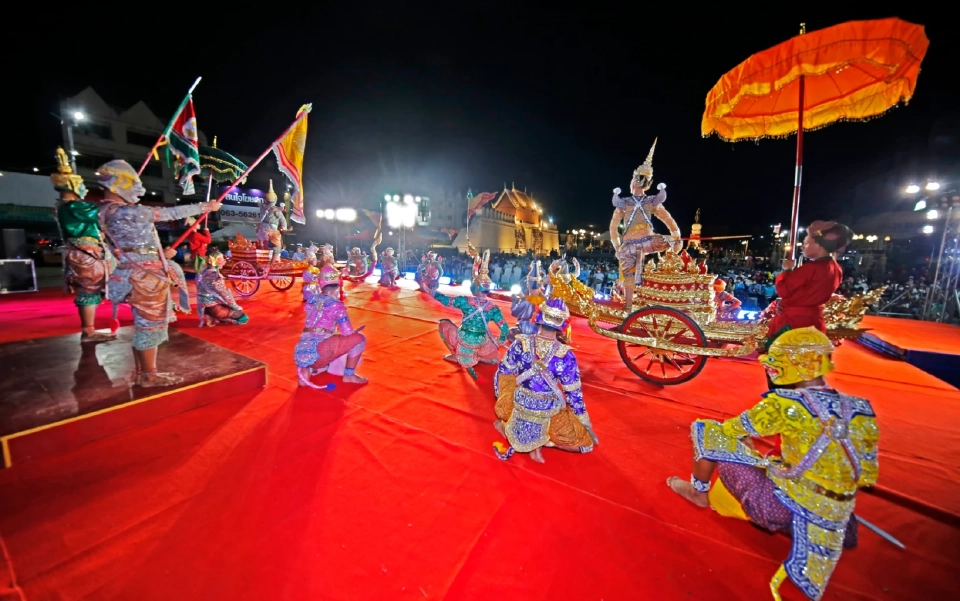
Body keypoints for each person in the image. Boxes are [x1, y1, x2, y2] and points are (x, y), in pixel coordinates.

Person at [667, 327, 879, 601]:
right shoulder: (862, 408)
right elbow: (867, 475)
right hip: (838, 514)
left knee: (708, 430)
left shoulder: (783, 404)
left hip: (779, 505)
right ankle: (822, 525)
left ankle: (697, 491)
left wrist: (752, 448)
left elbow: (733, 429)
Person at [97, 160, 221, 387]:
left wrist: (163, 253)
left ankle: (143, 372)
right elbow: (171, 213)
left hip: (134, 268)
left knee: (144, 322)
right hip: (143, 276)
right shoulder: (125, 212)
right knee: (149, 324)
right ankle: (149, 376)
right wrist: (206, 207)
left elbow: (134, 244)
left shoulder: (107, 211)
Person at [493, 298, 597, 463]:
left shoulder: (520, 343)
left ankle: (508, 427)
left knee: (506, 380)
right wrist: (584, 420)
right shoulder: (566, 355)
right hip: (547, 410)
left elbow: (503, 372)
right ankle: (542, 442)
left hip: (518, 403)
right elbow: (573, 395)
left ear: (538, 317)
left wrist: (502, 395)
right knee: (586, 444)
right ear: (563, 324)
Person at [50, 147, 116, 342]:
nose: (85, 190)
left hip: (86, 253)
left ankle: (89, 329)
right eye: (82, 187)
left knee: (90, 291)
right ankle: (88, 331)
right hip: (86, 254)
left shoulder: (66, 207)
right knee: (89, 291)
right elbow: (101, 212)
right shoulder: (74, 207)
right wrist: (114, 199)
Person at [609, 138, 682, 311]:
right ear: (648, 184)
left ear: (633, 182)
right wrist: (677, 237)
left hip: (628, 247)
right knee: (673, 242)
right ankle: (662, 285)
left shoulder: (624, 202)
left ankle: (628, 307)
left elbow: (613, 229)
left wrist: (617, 247)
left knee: (629, 276)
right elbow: (669, 221)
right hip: (650, 243)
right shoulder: (652, 201)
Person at [426, 249, 508, 379]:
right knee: (493, 357)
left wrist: (432, 292)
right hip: (481, 340)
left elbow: (446, 301)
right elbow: (504, 328)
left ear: (475, 287)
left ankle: (456, 354)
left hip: (464, 337)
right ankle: (479, 354)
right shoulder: (493, 308)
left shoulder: (465, 301)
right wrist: (501, 340)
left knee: (443, 324)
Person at [767, 221, 851, 344]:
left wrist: (788, 270)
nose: (802, 247)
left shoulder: (811, 268)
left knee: (784, 358)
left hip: (795, 321)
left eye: (806, 243)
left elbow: (784, 290)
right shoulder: (836, 267)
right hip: (814, 319)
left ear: (820, 246)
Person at [295, 264, 368, 387]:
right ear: (337, 286)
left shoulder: (311, 300)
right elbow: (347, 331)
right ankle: (349, 375)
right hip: (322, 351)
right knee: (359, 339)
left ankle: (309, 369)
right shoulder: (336, 304)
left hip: (302, 351)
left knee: (329, 338)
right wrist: (353, 333)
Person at [196, 248, 248, 326]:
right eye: (221, 260)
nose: (224, 262)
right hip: (215, 308)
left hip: (203, 307)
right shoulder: (215, 275)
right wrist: (236, 307)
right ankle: (222, 318)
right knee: (244, 318)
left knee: (223, 304)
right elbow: (224, 294)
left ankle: (210, 316)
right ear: (213, 261)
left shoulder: (201, 273)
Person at [507, 260, 545, 343]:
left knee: (510, 332)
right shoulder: (544, 300)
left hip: (525, 327)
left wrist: (514, 301)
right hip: (541, 329)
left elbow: (514, 312)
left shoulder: (526, 300)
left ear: (528, 285)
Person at [256, 180, 287, 267]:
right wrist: (284, 227)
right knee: (278, 246)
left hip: (262, 230)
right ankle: (272, 264)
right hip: (272, 230)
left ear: (266, 199)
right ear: (275, 199)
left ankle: (262, 260)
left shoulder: (262, 207)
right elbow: (283, 220)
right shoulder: (275, 209)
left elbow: (258, 203)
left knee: (262, 243)